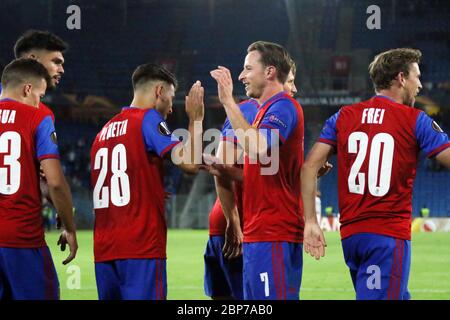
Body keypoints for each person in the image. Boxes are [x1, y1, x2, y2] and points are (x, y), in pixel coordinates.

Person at [301, 48, 450, 300]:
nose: (420, 85)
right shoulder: (415, 120)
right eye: (417, 77)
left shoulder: (343, 116)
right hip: (386, 237)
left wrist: (311, 222)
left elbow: (308, 167)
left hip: (352, 236)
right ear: (401, 78)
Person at [90, 63, 204, 300]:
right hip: (140, 246)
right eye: (171, 99)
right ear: (159, 91)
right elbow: (190, 165)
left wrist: (149, 190)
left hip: (104, 249)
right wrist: (196, 119)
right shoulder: (147, 119)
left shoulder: (103, 132)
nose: (172, 109)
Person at [210, 41, 305, 300]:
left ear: (270, 72)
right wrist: (219, 167)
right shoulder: (262, 113)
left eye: (247, 69)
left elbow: (259, 148)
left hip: (274, 232)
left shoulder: (283, 105)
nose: (241, 76)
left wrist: (228, 102)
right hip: (259, 232)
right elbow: (262, 170)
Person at [0, 58, 77, 300]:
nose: (39, 102)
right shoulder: (36, 118)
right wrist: (70, 227)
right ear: (27, 89)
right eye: (40, 96)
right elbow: (55, 181)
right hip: (21, 239)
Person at [0, 30, 68, 122]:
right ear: (32, 59)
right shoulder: (43, 116)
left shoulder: (43, 115)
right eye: (56, 62)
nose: (62, 70)